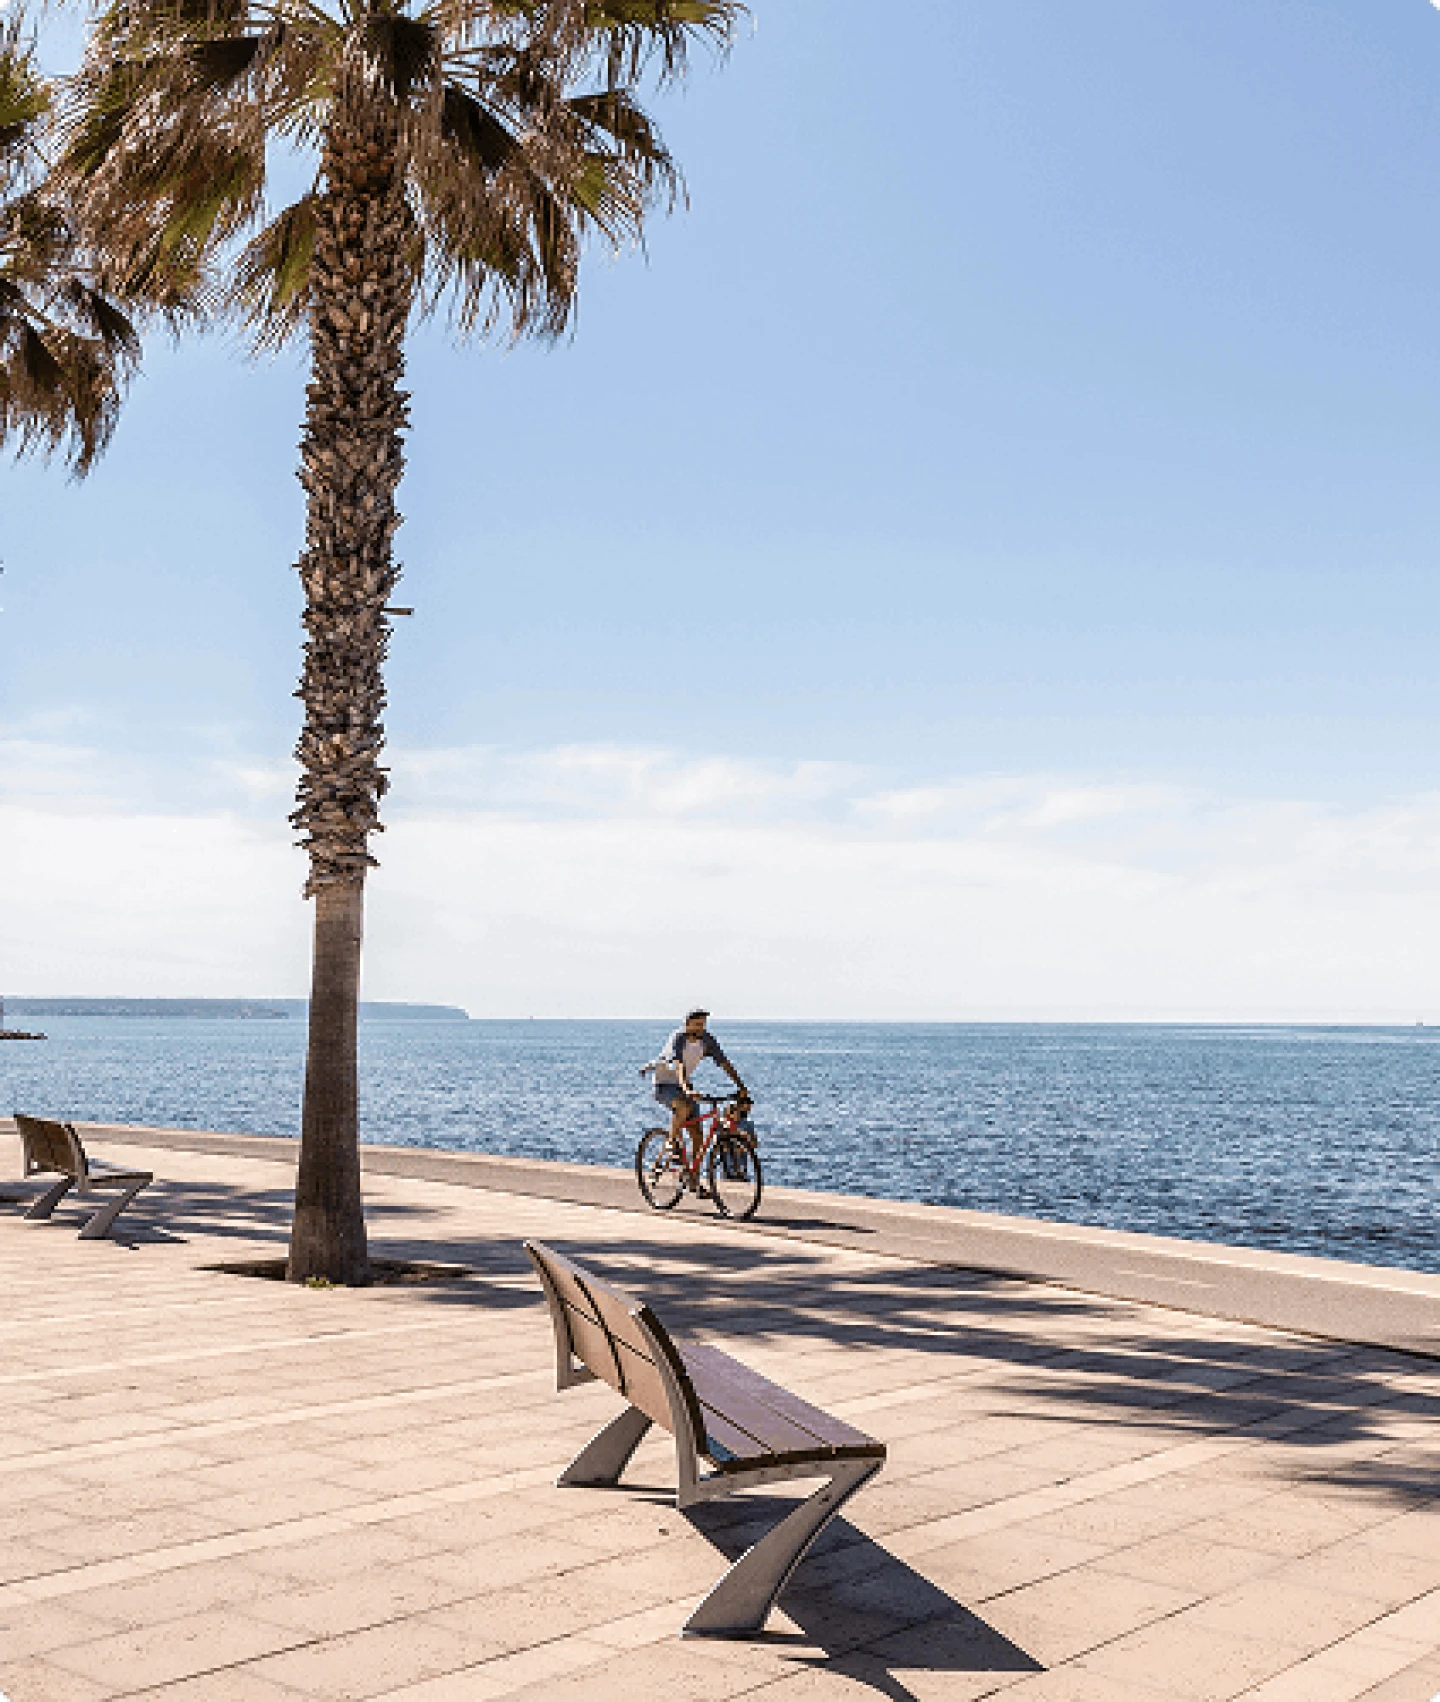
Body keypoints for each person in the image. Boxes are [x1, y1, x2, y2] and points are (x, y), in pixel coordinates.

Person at [642, 1008, 749, 1164]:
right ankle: (671, 1142)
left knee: (698, 1136)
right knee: (683, 1106)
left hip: (684, 1085)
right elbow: (678, 1064)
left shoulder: (707, 1040)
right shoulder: (679, 1038)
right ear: (687, 1024)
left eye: (703, 1024)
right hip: (664, 1084)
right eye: (697, 1024)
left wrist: (741, 1086)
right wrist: (685, 1088)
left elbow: (724, 1063)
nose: (701, 1028)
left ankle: (693, 1181)